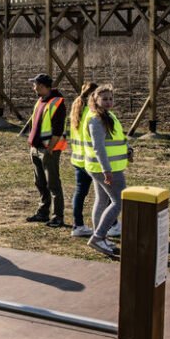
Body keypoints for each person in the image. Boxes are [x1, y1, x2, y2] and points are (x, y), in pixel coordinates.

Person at [82, 84, 131, 257]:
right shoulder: (97, 119)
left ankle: (100, 237)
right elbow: (99, 147)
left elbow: (117, 139)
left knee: (102, 200)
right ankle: (98, 236)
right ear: (95, 100)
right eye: (104, 99)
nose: (109, 102)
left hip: (103, 167)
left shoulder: (108, 116)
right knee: (119, 201)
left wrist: (128, 149)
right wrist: (107, 170)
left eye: (111, 98)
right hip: (107, 168)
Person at [68, 83, 122, 239]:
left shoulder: (76, 110)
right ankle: (110, 226)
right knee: (108, 196)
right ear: (94, 97)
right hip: (90, 160)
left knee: (82, 193)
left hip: (78, 158)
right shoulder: (92, 114)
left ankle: (78, 224)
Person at [25, 73, 68, 227]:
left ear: (42, 86)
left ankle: (58, 216)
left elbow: (58, 130)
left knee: (53, 183)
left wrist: (50, 148)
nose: (33, 87)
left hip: (48, 150)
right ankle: (43, 212)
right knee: (40, 182)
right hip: (36, 148)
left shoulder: (57, 103)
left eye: (35, 84)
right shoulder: (40, 101)